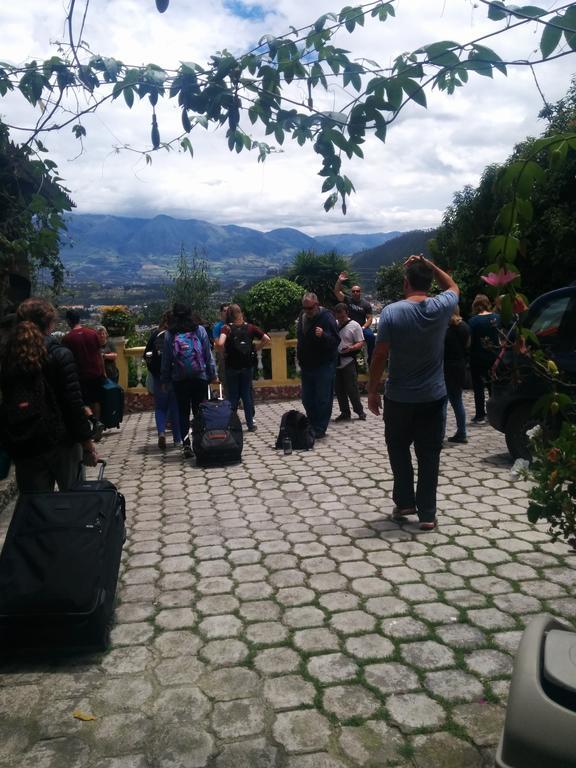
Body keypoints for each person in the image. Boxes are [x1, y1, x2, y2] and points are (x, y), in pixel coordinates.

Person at [368, 255, 459, 531]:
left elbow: (380, 355)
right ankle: (428, 514)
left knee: (398, 449)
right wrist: (429, 264)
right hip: (433, 396)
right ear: (428, 282)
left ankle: (405, 502)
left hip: (399, 397)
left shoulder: (393, 312)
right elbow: (453, 287)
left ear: (406, 282)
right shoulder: (441, 306)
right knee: (429, 454)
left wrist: (372, 390)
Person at [0, 298, 97, 492]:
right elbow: (72, 403)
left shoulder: (9, 358)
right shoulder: (59, 355)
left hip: (27, 443)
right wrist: (86, 442)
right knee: (74, 501)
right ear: (50, 324)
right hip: (62, 441)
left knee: (36, 509)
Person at [161, 303, 217, 458]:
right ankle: (200, 440)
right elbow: (208, 355)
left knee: (182, 413)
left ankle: (186, 445)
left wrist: (165, 380)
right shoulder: (199, 330)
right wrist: (213, 375)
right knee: (199, 411)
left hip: (179, 379)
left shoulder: (170, 334)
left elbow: (166, 360)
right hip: (199, 377)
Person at [216, 304, 270, 432]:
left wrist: (221, 350)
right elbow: (266, 339)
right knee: (246, 395)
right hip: (247, 366)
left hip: (232, 366)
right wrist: (254, 349)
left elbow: (221, 343)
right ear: (241, 313)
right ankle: (250, 424)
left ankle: (232, 424)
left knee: (233, 396)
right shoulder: (250, 327)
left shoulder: (226, 328)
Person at [296, 292, 340, 439]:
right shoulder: (302, 318)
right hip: (307, 366)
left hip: (323, 365)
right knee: (307, 399)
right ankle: (313, 424)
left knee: (323, 398)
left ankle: (320, 428)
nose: (307, 311)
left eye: (309, 308)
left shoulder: (327, 318)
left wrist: (324, 336)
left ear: (317, 304)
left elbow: (336, 341)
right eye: (304, 308)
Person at [144, 311, 182, 450]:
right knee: (175, 408)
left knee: (160, 407)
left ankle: (161, 432)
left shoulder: (155, 334)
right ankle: (178, 439)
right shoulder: (177, 334)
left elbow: (146, 355)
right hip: (175, 376)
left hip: (158, 377)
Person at [62, 309, 106, 425]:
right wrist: (103, 371)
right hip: (96, 372)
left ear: (68, 321)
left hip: (80, 375)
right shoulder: (92, 333)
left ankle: (91, 424)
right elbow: (99, 354)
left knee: (83, 401)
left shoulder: (67, 339)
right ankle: (98, 423)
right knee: (96, 400)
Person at [468, 294, 500, 423]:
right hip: (494, 356)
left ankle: (480, 414)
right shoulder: (497, 318)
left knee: (478, 387)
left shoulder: (473, 321)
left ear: (475, 306)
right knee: (493, 386)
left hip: (477, 357)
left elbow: (470, 342)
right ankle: (496, 412)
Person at [333, 302, 366, 422]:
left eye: (342, 316)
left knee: (352, 388)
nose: (340, 319)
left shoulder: (355, 325)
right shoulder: (334, 324)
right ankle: (344, 412)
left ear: (347, 313)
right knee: (339, 389)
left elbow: (360, 342)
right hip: (336, 361)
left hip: (349, 360)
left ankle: (360, 411)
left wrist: (351, 348)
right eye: (338, 317)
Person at [334, 272, 375, 363]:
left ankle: (371, 359)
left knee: (371, 337)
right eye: (353, 291)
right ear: (351, 292)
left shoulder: (366, 304)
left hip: (361, 327)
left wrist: (363, 327)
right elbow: (337, 292)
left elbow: (370, 318)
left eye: (357, 291)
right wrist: (339, 281)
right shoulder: (347, 300)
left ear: (360, 292)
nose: (355, 292)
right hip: (347, 326)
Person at [443, 306, 470, 443]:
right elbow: (467, 346)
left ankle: (439, 434)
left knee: (442, 402)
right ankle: (462, 432)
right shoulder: (465, 326)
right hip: (460, 366)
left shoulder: (444, 328)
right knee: (457, 401)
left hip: (445, 367)